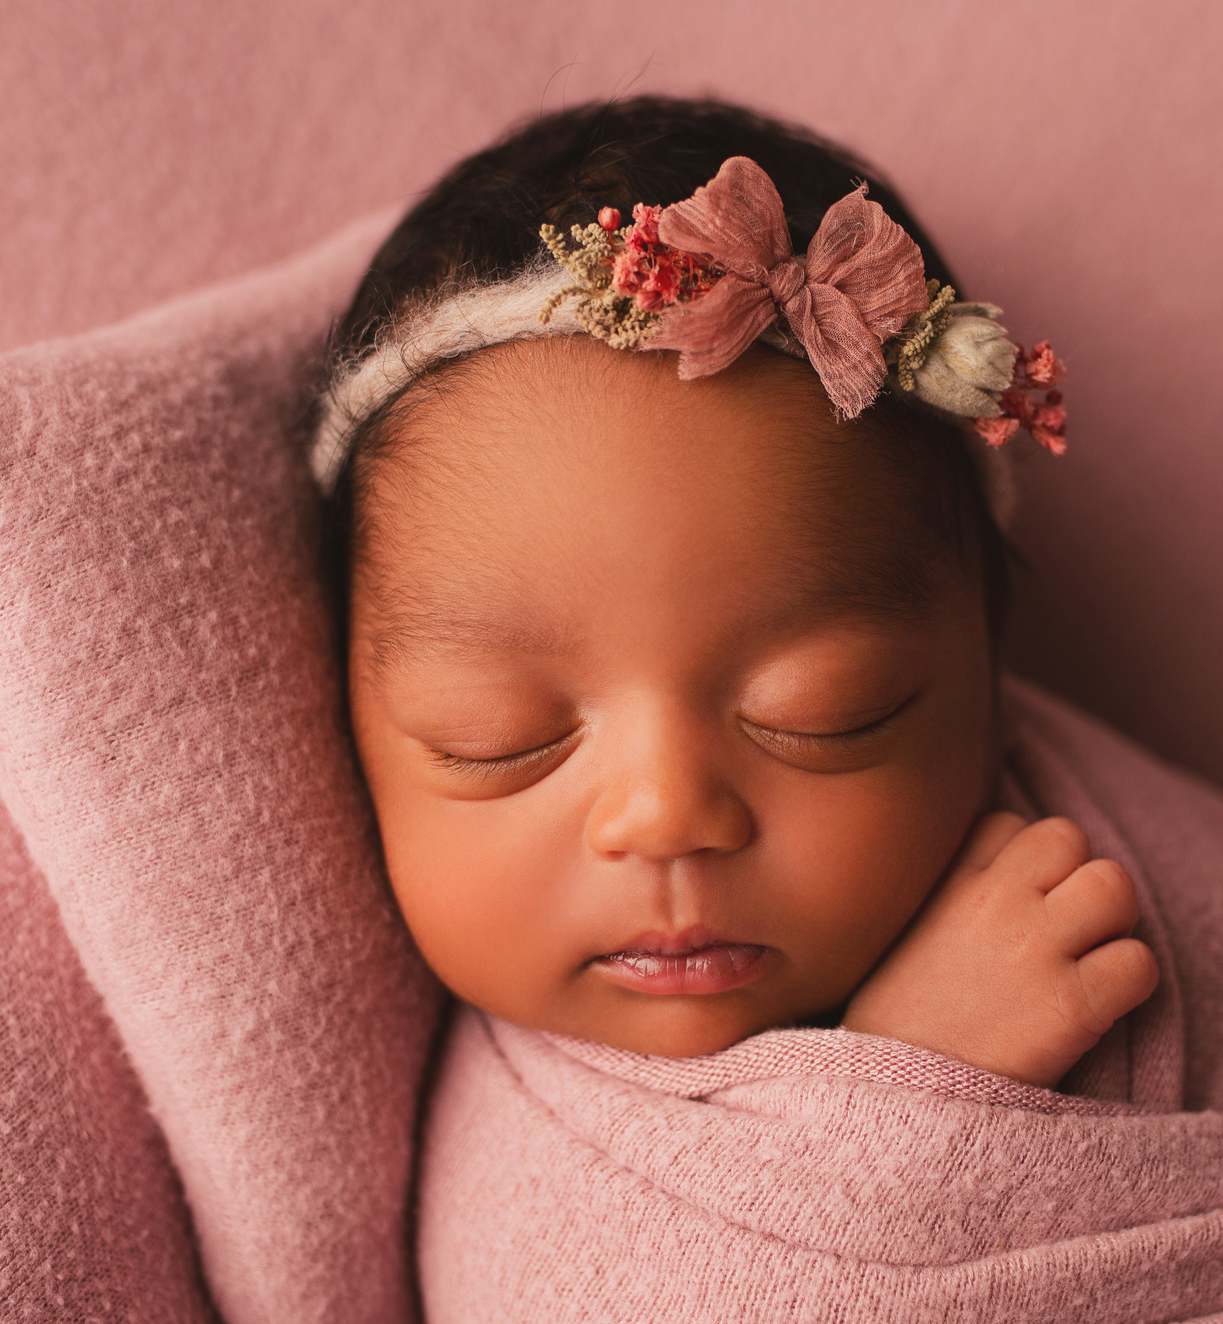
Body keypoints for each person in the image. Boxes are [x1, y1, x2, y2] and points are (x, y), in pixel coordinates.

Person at [316, 94, 1155, 1089]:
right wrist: (906, 1083)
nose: (667, 815)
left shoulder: (1128, 891)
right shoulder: (420, 1105)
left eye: (824, 712)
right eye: (496, 739)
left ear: (990, 674)